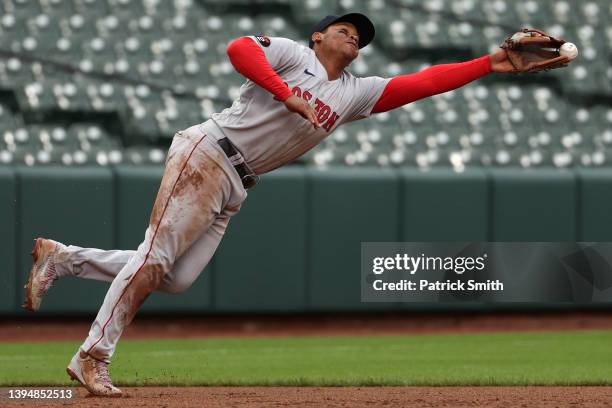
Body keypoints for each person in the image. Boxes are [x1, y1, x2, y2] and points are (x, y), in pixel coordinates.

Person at [23, 12, 516, 396]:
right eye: (344, 30)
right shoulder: (291, 54)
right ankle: (93, 355)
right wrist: (285, 94)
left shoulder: (353, 95)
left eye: (359, 39)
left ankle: (63, 259)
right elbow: (239, 49)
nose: (353, 39)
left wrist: (490, 63)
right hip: (208, 153)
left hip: (238, 182)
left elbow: (424, 81)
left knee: (174, 277)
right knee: (155, 257)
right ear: (318, 36)